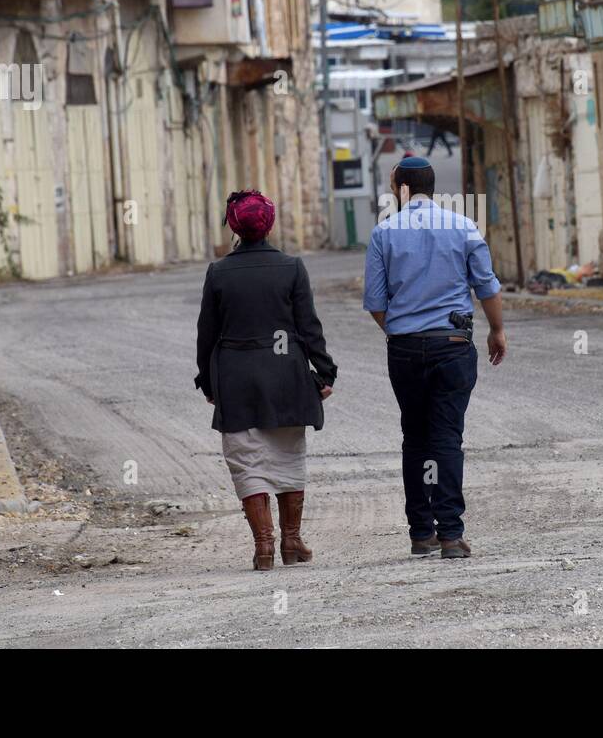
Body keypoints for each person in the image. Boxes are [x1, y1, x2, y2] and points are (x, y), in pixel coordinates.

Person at [363, 156, 506, 559]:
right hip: (453, 346)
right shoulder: (463, 227)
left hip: (406, 349)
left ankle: (421, 533)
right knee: (446, 437)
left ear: (400, 189)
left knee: (415, 437)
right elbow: (487, 287)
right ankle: (451, 535)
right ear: (431, 186)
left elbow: (376, 302)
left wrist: (400, 330)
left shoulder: (383, 233)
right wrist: (497, 330)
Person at [195, 190, 337, 571]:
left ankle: (264, 546)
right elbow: (308, 327)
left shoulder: (219, 272)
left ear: (235, 227)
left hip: (236, 377)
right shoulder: (291, 268)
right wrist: (324, 372)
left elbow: (206, 334)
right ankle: (292, 541)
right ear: (269, 224)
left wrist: (208, 383)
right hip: (285, 375)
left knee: (246, 459)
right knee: (288, 454)